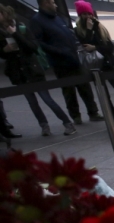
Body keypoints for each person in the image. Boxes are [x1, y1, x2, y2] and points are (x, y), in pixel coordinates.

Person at [0, 4, 75, 137]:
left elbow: (32, 47)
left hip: (32, 69)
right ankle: (44, 125)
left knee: (47, 99)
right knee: (32, 102)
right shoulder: (1, 32)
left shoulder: (21, 27)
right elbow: (2, 53)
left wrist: (15, 34)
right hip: (19, 71)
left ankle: (67, 122)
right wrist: (4, 50)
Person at [30, 0, 103, 125]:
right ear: (45, 3)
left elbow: (69, 33)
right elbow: (40, 42)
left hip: (74, 57)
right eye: (52, 2)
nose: (56, 5)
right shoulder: (37, 20)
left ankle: (93, 112)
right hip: (60, 61)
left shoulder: (58, 18)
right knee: (69, 90)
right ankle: (75, 115)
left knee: (84, 87)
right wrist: (59, 51)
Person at [73, 1, 114, 129]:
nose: (88, 17)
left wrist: (96, 47)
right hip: (95, 67)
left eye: (89, 13)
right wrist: (89, 31)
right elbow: (85, 47)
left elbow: (109, 47)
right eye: (85, 14)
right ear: (80, 15)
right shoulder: (78, 30)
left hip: (108, 64)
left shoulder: (99, 27)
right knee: (106, 97)